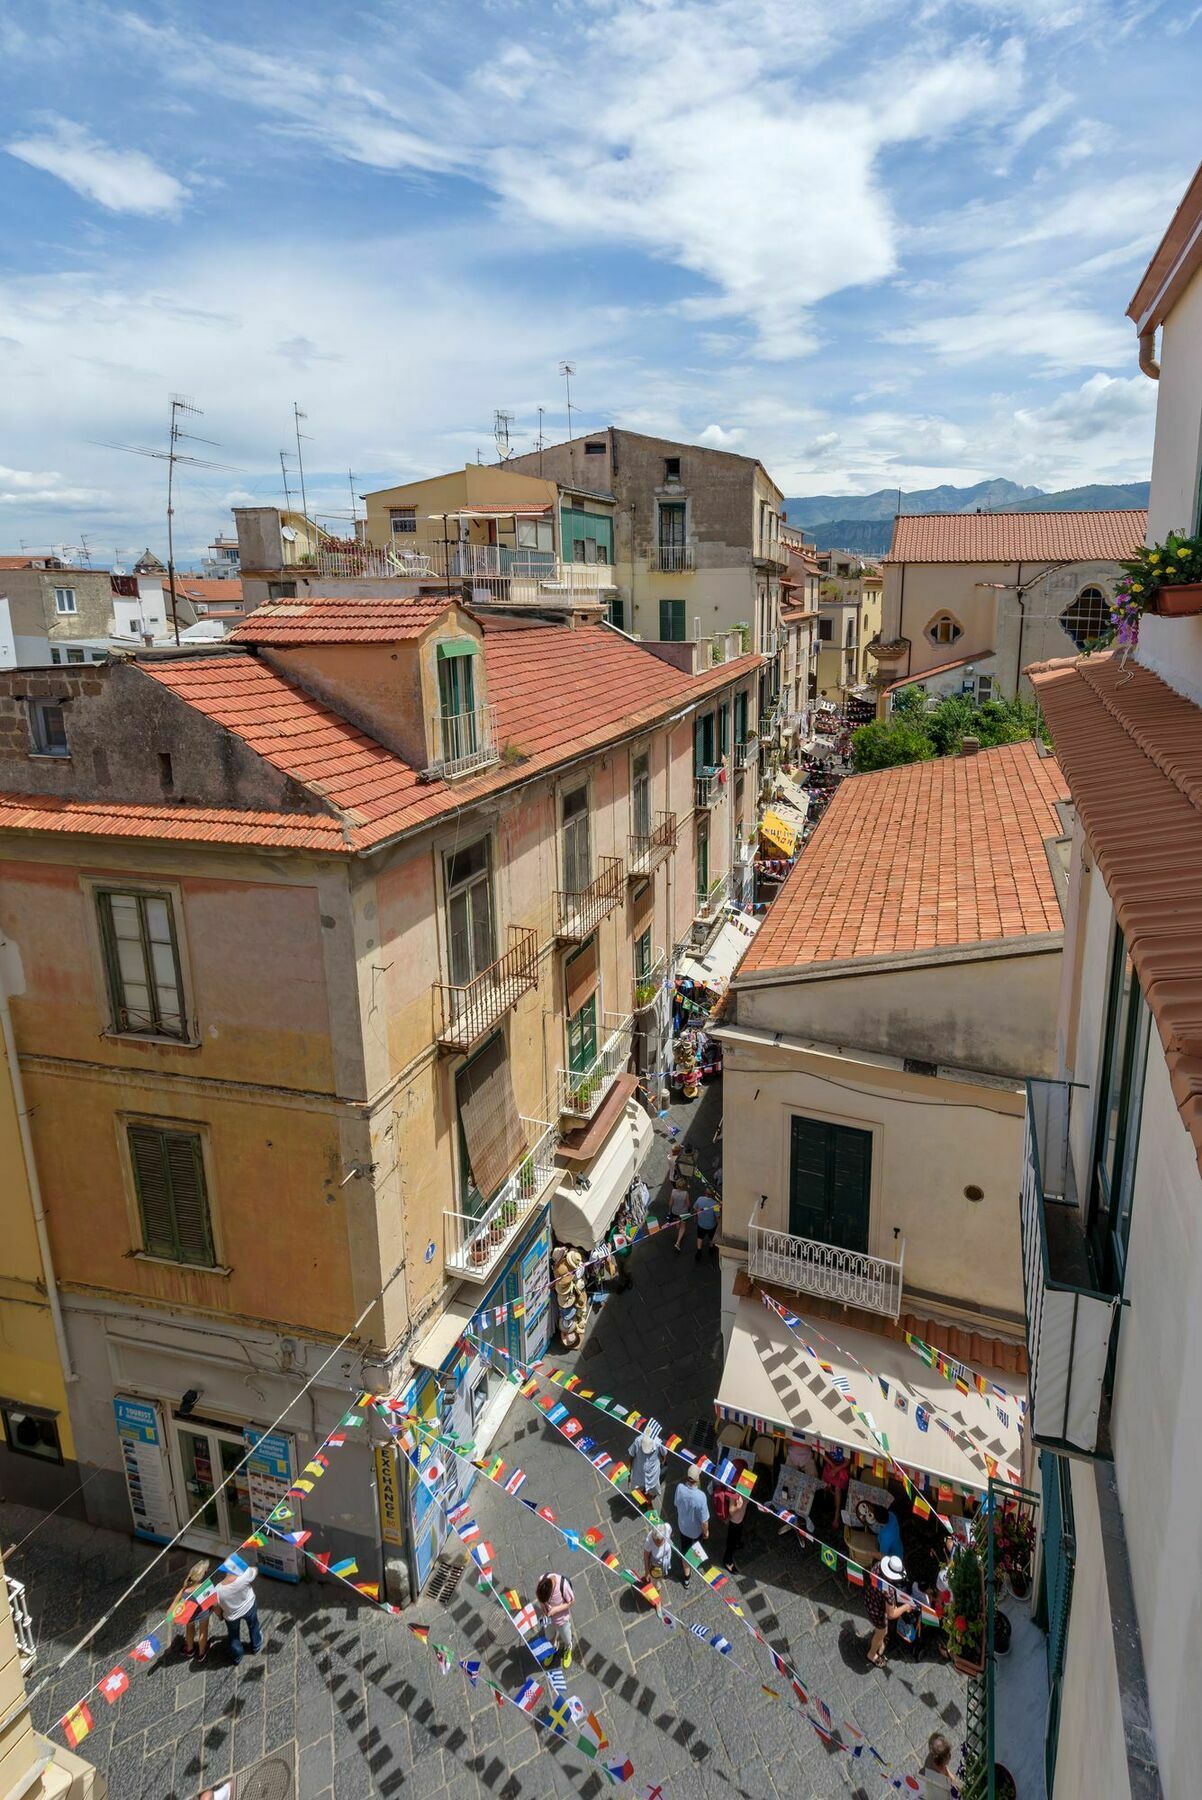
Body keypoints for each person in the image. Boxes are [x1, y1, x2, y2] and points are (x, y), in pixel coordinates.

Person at [865, 1553, 916, 1668]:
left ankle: (880, 1642)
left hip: (870, 1599)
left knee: (883, 1631)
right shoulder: (889, 1591)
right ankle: (872, 1654)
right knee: (882, 1632)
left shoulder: (877, 1567)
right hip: (877, 1611)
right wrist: (906, 1607)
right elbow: (891, 1614)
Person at [216, 1560, 262, 1664]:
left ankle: (237, 1656)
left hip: (231, 1615)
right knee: (254, 1626)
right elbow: (255, 1570)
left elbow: (216, 1607)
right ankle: (256, 1645)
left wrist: (219, 1616)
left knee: (233, 1636)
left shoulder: (217, 1590)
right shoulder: (244, 1575)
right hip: (249, 1607)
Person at [673, 1464, 709, 1586]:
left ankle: (686, 1579)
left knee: (685, 1548)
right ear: (698, 1479)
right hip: (695, 1531)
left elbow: (676, 1504)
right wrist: (706, 1532)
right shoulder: (701, 1497)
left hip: (683, 1527)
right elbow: (704, 1521)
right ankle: (692, 1561)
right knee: (695, 1548)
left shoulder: (679, 1488)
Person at [170, 1558, 212, 1662]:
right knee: (203, 1631)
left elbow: (177, 1599)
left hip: (190, 1613)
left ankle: (189, 1649)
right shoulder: (205, 1586)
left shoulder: (186, 1587)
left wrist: (170, 1612)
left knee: (189, 1629)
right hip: (202, 1611)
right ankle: (202, 1652)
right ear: (203, 1574)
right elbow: (212, 1601)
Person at [535, 1571, 576, 1669]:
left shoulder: (563, 1586)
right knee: (549, 1636)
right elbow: (538, 1596)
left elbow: (572, 1602)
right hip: (548, 1619)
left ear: (550, 1593)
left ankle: (568, 1647)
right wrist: (541, 1604)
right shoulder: (542, 1580)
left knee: (566, 1638)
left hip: (562, 1620)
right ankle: (553, 1647)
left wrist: (556, 1609)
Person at [629, 1430, 664, 1511]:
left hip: (652, 1475)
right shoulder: (637, 1441)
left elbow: (664, 1455)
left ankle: (649, 1503)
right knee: (637, 1489)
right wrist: (629, 1472)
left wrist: (661, 1464)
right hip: (639, 1473)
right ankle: (641, 1500)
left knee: (651, 1491)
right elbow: (631, 1456)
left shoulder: (658, 1443)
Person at [720, 1483, 749, 1574]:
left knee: (738, 1534)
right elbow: (731, 1511)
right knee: (731, 1542)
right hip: (735, 1520)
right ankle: (727, 1561)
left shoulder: (746, 1482)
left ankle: (737, 1543)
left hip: (740, 1517)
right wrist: (738, 1506)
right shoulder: (733, 1489)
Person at [692, 1190, 719, 1259]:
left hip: (701, 1224)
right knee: (711, 1237)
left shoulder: (699, 1199)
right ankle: (711, 1248)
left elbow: (694, 1209)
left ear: (705, 1193)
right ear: (713, 1195)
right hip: (711, 1225)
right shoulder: (715, 1204)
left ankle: (699, 1251)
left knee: (700, 1237)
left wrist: (695, 1218)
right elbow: (717, 1216)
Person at [644, 1519, 672, 1583]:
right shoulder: (649, 1541)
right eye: (655, 1541)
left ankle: (663, 1574)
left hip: (666, 1559)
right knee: (656, 1581)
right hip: (656, 1565)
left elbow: (671, 1533)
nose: (657, 1543)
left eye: (659, 1541)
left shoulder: (667, 1527)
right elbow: (646, 1556)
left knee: (664, 1571)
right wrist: (647, 1571)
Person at [668, 1177, 692, 1251]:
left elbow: (670, 1203)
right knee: (683, 1226)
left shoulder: (673, 1191)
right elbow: (688, 1205)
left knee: (677, 1220)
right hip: (684, 1212)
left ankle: (677, 1226)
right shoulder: (685, 1193)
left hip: (675, 1211)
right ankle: (678, 1242)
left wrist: (669, 1211)